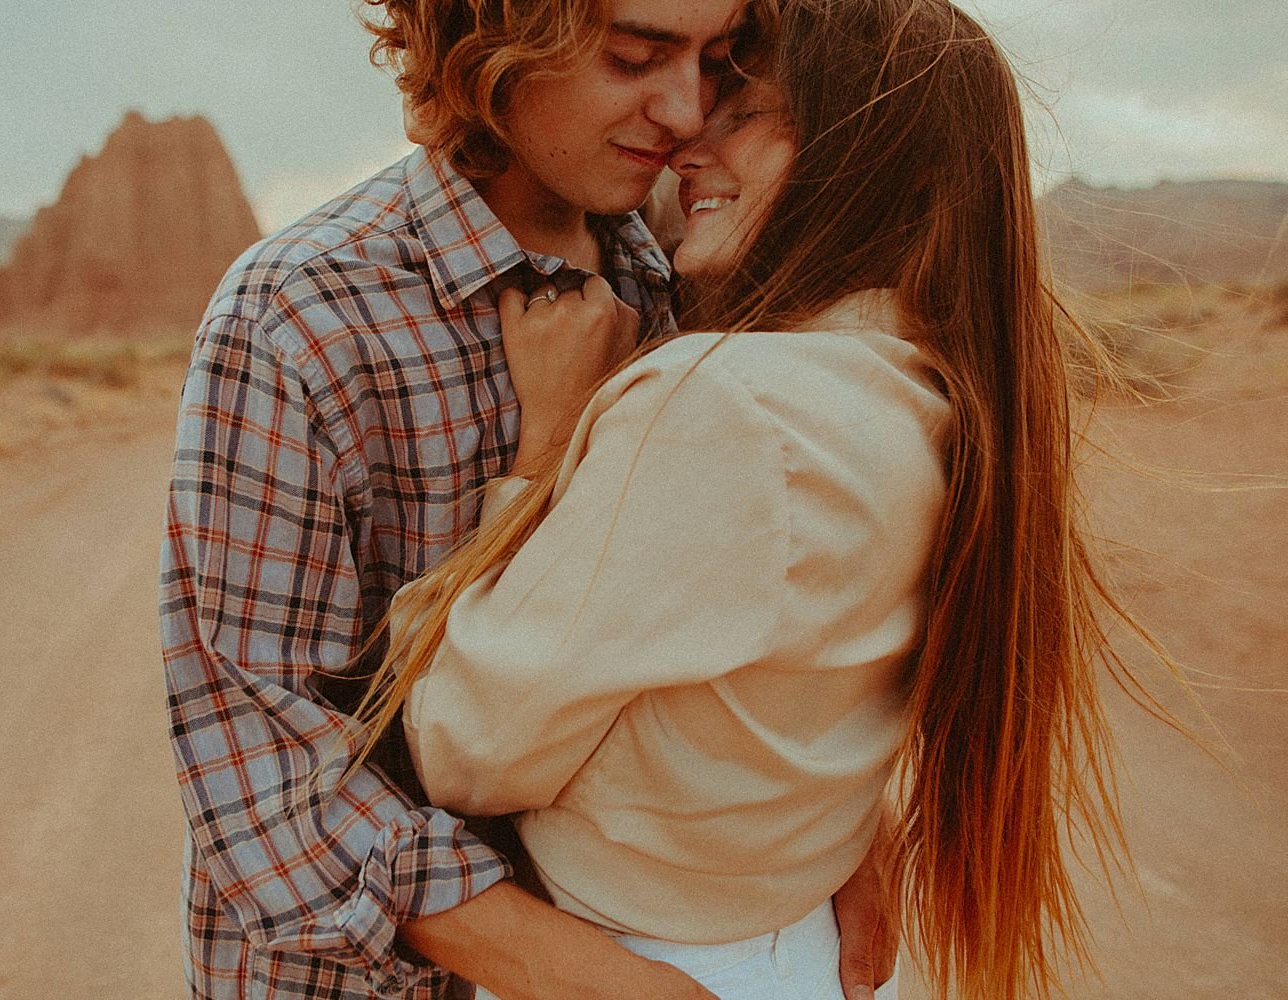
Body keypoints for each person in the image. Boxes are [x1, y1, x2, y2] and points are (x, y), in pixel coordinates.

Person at [344, 1, 1160, 997]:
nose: (690, 138)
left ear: (856, 153)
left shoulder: (730, 406)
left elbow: (465, 749)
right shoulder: (936, 391)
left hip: (646, 966)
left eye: (742, 112)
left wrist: (546, 449)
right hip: (796, 946)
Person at [160, 1, 895, 997]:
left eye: (717, 63)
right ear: (490, 42)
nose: (685, 110)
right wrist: (583, 975)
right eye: (637, 55)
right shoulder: (306, 313)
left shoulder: (688, 276)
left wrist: (845, 831)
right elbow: (259, 754)